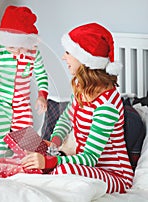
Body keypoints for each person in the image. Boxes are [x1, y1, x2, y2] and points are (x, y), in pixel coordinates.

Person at [21, 22, 134, 193]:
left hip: (115, 175)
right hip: (89, 166)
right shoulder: (81, 90)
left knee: (60, 170)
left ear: (85, 59)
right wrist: (55, 142)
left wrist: (52, 161)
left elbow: (90, 157)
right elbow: (66, 118)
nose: (63, 57)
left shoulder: (107, 104)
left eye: (68, 53)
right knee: (38, 165)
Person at [0, 5, 49, 159]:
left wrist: (42, 95)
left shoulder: (33, 53)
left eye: (22, 47)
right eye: (12, 47)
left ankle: (26, 168)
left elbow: (41, 75)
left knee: (26, 139)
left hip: (22, 103)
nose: (17, 52)